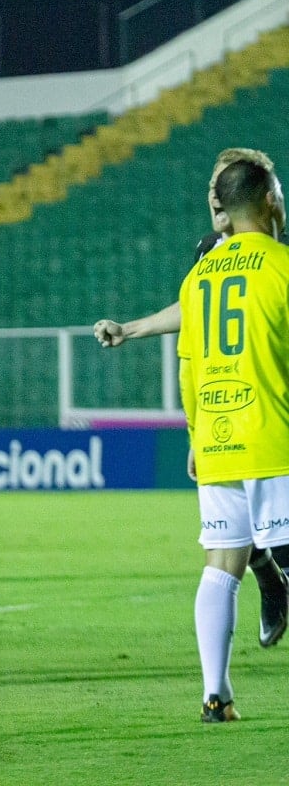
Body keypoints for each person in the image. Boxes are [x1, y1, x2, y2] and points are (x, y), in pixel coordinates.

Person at [94, 147, 289, 648]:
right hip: (231, 412)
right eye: (209, 189)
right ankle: (267, 575)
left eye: (220, 189)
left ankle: (268, 578)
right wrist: (196, 428)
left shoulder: (274, 251)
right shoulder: (209, 255)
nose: (213, 200)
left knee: (236, 542)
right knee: (233, 539)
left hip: (262, 404)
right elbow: (194, 314)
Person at [178, 157, 289, 722]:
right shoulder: (282, 268)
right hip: (275, 439)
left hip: (219, 440)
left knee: (221, 565)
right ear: (270, 199)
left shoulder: (198, 277)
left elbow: (189, 366)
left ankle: (215, 694)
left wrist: (199, 434)